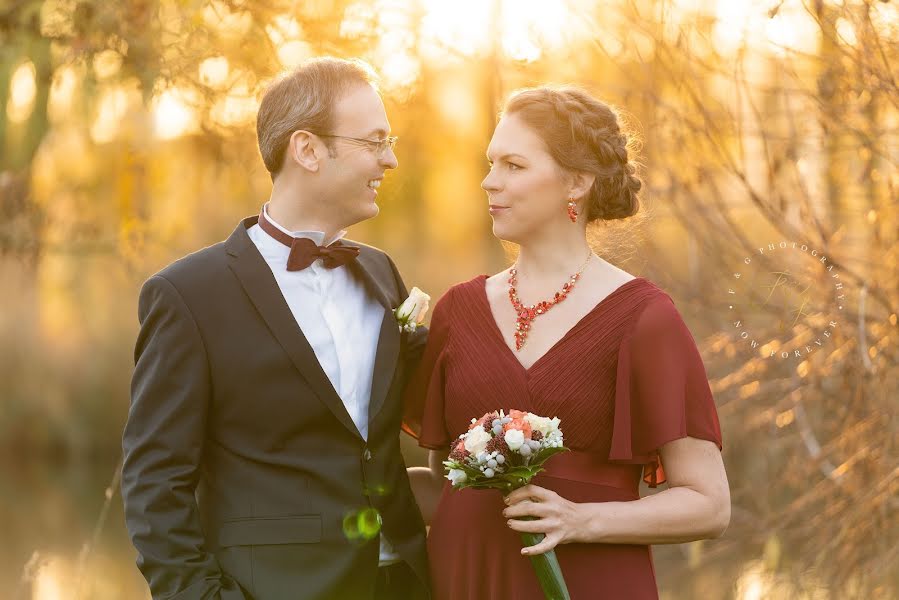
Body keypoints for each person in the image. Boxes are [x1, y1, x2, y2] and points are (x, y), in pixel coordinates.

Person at [122, 57, 430, 600]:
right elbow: (155, 485)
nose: (391, 158)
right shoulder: (189, 295)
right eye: (374, 141)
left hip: (402, 581)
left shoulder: (380, 273)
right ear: (307, 150)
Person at [404, 86, 730, 599]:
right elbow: (439, 487)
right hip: (465, 577)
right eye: (491, 163)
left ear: (576, 182)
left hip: (588, 580)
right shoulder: (457, 311)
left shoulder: (643, 318)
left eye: (514, 165)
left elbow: (709, 503)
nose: (490, 181)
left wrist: (581, 520)